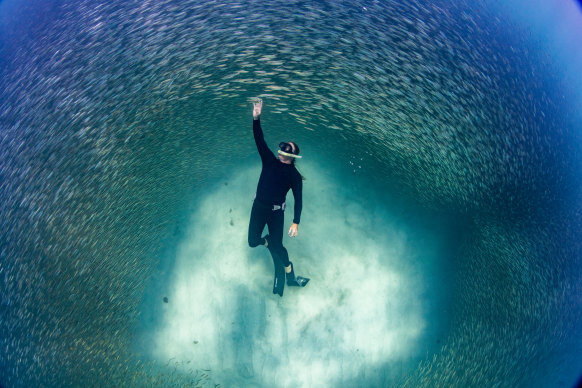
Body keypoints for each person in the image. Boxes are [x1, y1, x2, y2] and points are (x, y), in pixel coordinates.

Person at [248, 99, 309, 297]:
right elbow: (259, 138)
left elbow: (298, 200)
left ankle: (290, 272)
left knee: (278, 246)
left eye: (288, 147)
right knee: (252, 241)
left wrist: (296, 222)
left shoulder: (294, 176)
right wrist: (256, 117)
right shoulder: (269, 160)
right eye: (284, 145)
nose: (284, 147)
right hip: (258, 207)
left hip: (276, 214)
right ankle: (267, 242)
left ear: (292, 155)